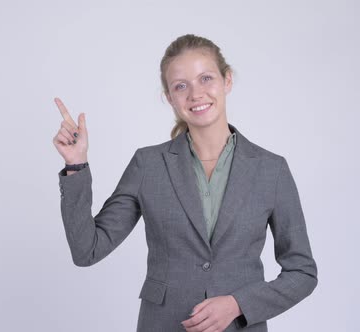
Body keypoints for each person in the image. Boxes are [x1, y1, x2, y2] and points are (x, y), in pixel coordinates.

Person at [52, 34, 318, 331]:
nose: (195, 94)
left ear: (227, 81)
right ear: (169, 97)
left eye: (206, 78)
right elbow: (87, 250)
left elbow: (302, 272)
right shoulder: (148, 165)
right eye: (181, 86)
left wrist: (238, 304)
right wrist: (76, 165)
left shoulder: (271, 170)